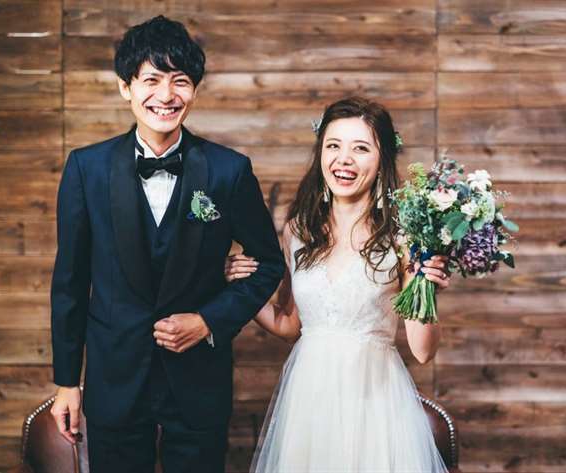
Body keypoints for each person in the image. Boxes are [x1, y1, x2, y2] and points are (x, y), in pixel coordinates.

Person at [49, 15, 285, 473]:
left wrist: (208, 320)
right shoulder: (86, 168)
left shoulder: (228, 170)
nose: (166, 95)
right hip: (114, 378)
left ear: (194, 91)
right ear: (126, 87)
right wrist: (66, 383)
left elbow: (269, 263)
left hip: (198, 382)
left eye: (180, 81)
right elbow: (70, 284)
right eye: (152, 80)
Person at [226, 97, 451, 472]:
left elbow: (423, 351)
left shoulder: (402, 236)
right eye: (333, 146)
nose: (343, 159)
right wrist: (241, 289)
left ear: (381, 163)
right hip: (308, 403)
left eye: (360, 148)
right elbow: (290, 324)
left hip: (374, 403)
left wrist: (424, 288)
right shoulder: (298, 230)